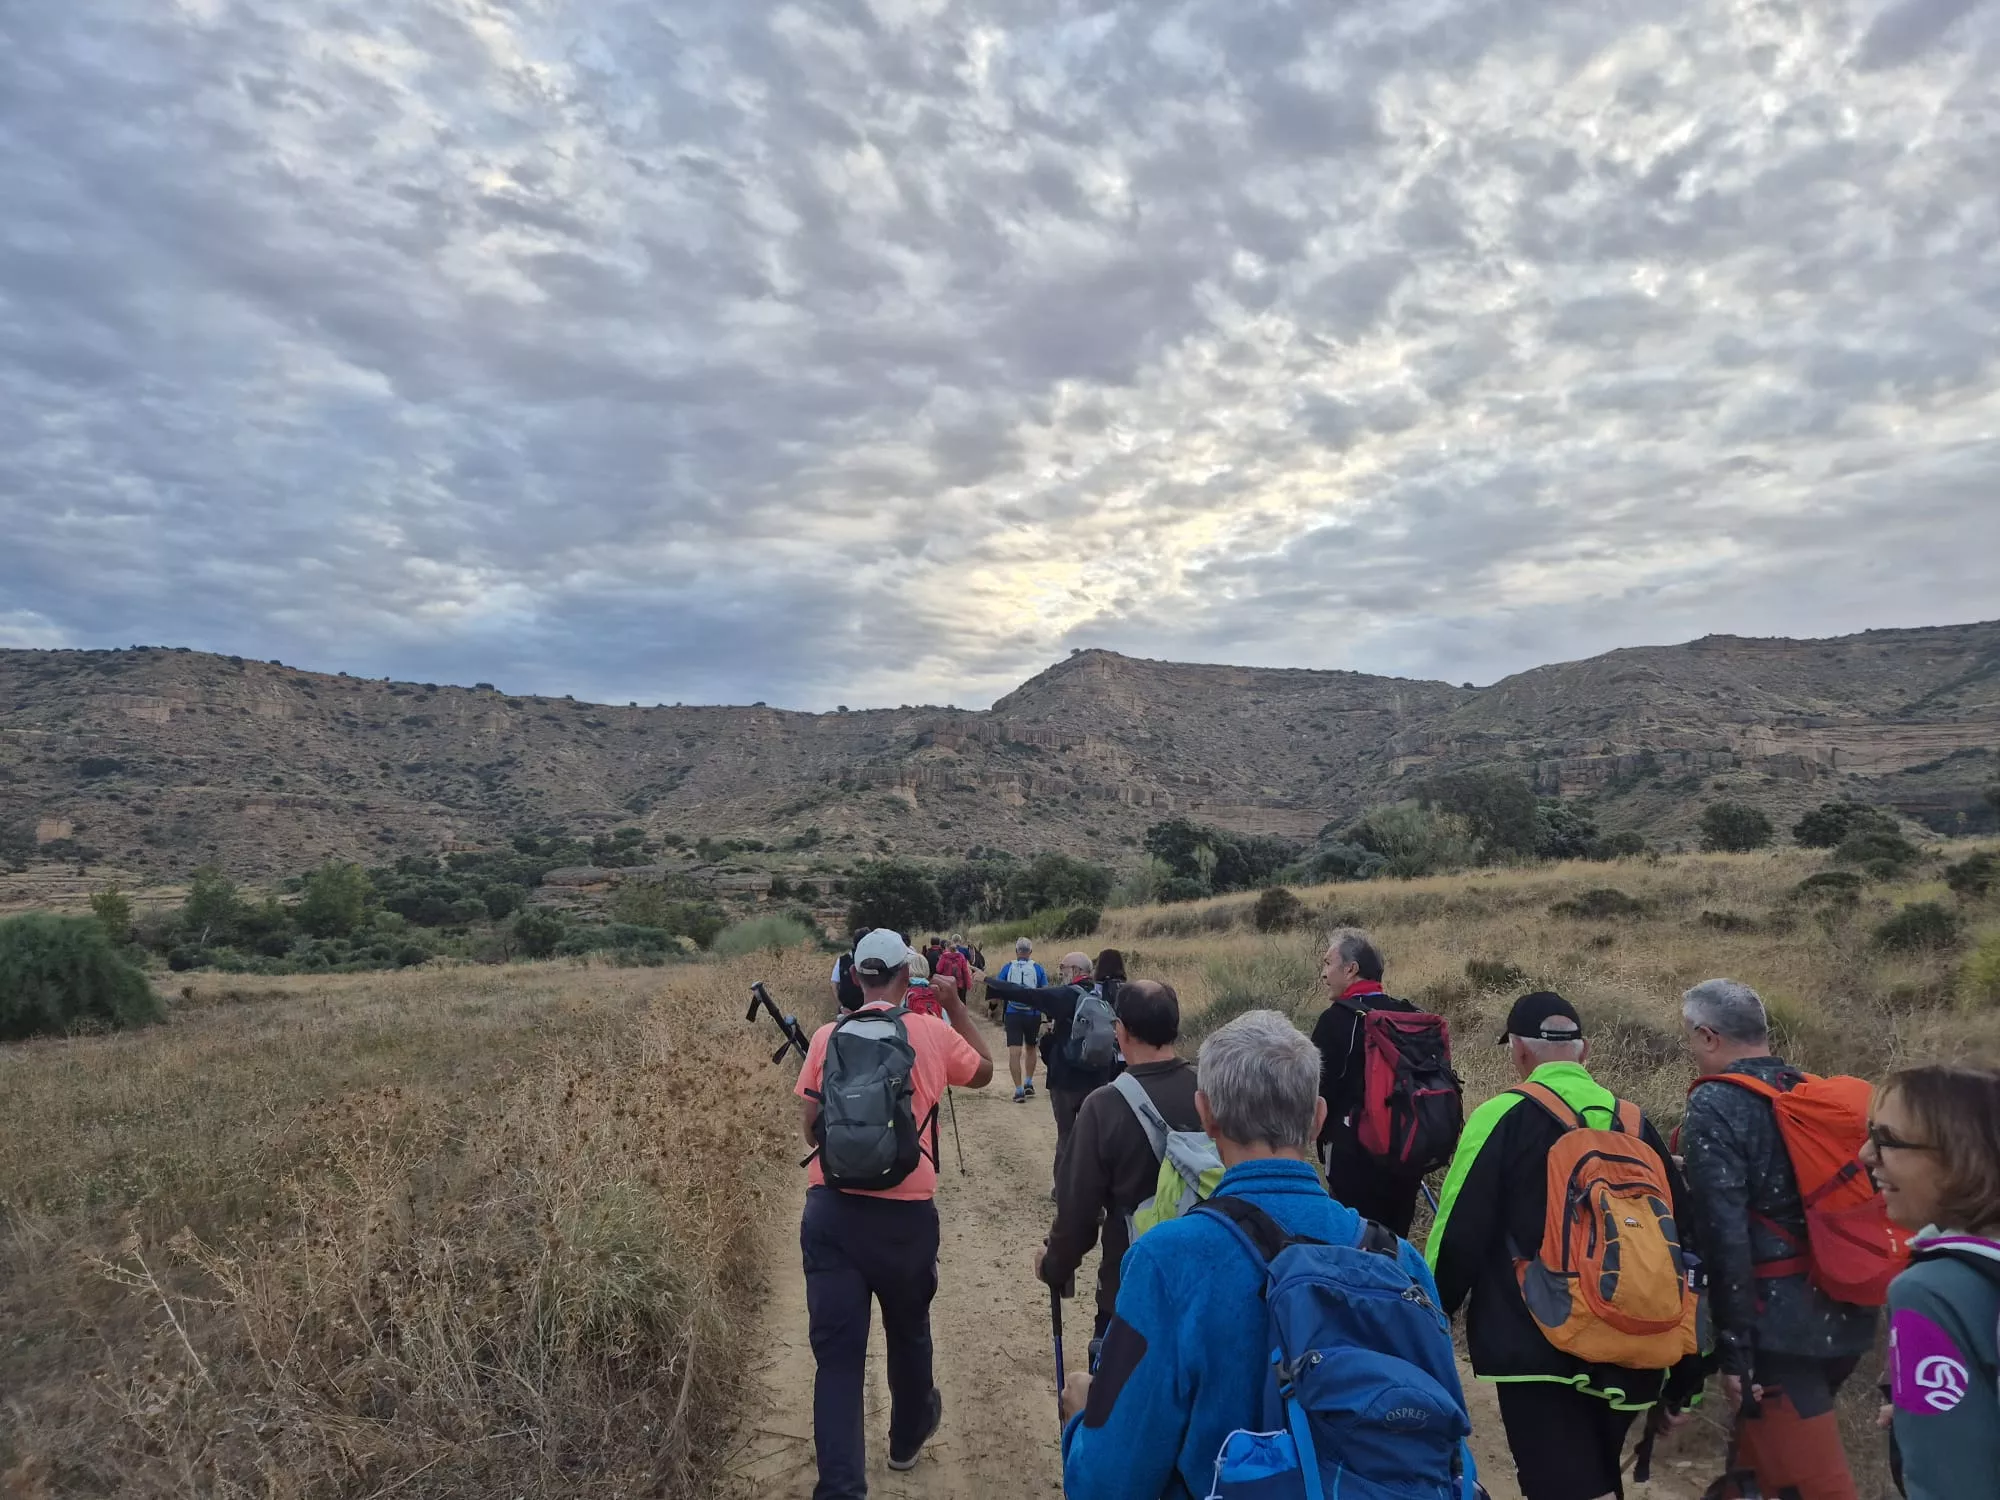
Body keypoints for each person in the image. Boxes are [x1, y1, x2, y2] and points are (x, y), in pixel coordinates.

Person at [1060, 1009, 1470, 1500]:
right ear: (1318, 1118)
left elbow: (1107, 1483)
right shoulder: (1401, 1261)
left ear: (1206, 1114)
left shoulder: (1165, 1262)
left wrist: (1083, 1417)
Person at [1427, 991, 1703, 1500]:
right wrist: (1687, 1372)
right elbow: (1684, 1250)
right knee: (1595, 1480)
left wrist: (1425, 1319)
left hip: (1537, 1347)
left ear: (1520, 1053)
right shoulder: (1637, 1125)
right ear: (1585, 1051)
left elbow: (1458, 1234)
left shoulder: (1501, 1115)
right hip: (1633, 1343)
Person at [794, 929, 995, 1498]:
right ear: (908, 976)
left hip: (832, 1213)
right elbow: (983, 1069)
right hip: (906, 1216)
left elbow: (810, 1126)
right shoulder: (930, 1032)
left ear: (854, 978)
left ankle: (840, 1487)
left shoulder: (827, 1036)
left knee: (837, 1360)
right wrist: (956, 1005)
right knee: (908, 1332)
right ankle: (906, 1439)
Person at [1680, 979, 1876, 1500]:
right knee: (1757, 1470)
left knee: (1810, 1487)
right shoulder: (1812, 1092)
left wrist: (1733, 1351)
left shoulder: (1717, 1103)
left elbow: (1724, 1233)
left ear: (1706, 1036)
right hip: (1849, 1309)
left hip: (1777, 1334)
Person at [1864, 1063, 2000, 1500]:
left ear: (1960, 1158)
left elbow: (1949, 1482)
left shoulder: (1930, 1290)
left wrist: (1930, 1427)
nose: (1866, 1155)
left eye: (1887, 1140)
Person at [1036, 980, 1198, 1343]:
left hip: (1129, 1286)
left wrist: (1055, 1266)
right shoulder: (1209, 1090)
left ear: (1120, 1032)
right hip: (1202, 1284)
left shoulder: (1104, 1105)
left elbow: (1077, 1212)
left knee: (1117, 1398)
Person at [1307, 927, 1428, 1235]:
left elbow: (1317, 1092)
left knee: (1355, 1245)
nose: (1323, 974)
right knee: (1395, 1243)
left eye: (1327, 963)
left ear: (1351, 969)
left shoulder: (1334, 1021)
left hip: (1353, 1159)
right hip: (1407, 1153)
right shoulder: (1409, 1016)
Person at [987, 950, 1122, 1178]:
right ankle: (1096, 1197)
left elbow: (1027, 994)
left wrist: (988, 981)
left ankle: (1064, 1192)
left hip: (1065, 1078)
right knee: (1095, 1140)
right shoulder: (1107, 994)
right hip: (1099, 1076)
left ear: (1077, 971)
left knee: (1066, 1137)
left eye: (1063, 968)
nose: (1060, 973)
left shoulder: (1066, 995)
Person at [996, 937, 1048, 1103]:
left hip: (1013, 1013)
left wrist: (994, 1007)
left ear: (1017, 951)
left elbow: (997, 987)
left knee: (1014, 1052)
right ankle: (1028, 1082)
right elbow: (1045, 992)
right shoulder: (1038, 968)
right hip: (1032, 1014)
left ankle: (1018, 1091)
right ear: (1030, 952)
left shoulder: (1008, 967)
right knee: (1031, 1048)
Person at [829, 927, 868, 1012]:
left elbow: (834, 984)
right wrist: (842, 1008)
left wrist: (841, 1007)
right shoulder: (843, 960)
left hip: (862, 1010)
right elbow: (834, 984)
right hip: (850, 1011)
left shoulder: (842, 960)